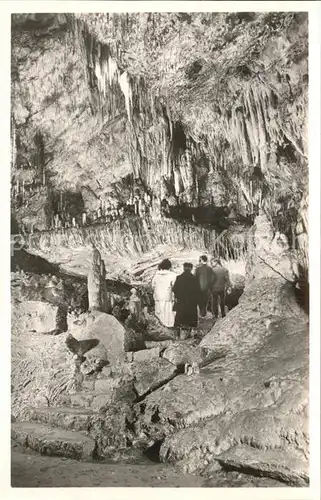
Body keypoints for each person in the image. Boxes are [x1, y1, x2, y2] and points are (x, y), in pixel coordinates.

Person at [173, 263, 200, 337]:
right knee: (192, 318)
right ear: (191, 269)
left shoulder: (179, 278)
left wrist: (177, 297)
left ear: (183, 268)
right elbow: (198, 291)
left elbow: (174, 289)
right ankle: (192, 334)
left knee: (179, 318)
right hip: (192, 302)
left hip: (181, 301)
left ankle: (177, 335)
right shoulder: (195, 279)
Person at [151, 259, 177, 328]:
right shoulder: (173, 275)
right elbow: (175, 286)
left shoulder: (156, 275)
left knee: (159, 313)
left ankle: (160, 328)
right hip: (167, 296)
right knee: (168, 314)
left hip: (158, 297)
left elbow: (153, 286)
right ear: (169, 266)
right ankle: (169, 328)